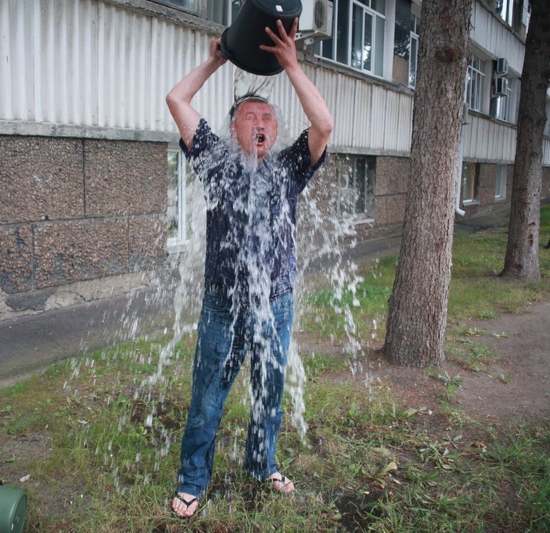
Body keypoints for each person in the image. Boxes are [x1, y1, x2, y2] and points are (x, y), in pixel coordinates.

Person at [166, 18, 333, 518]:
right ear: (234, 127)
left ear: (276, 130)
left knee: (270, 392)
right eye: (248, 116)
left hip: (274, 302)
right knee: (207, 398)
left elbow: (323, 124)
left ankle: (262, 463)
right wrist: (217, 59)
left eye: (266, 116)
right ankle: (193, 479)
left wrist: (292, 65)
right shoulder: (215, 160)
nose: (259, 122)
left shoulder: (289, 169)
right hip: (223, 302)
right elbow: (177, 100)